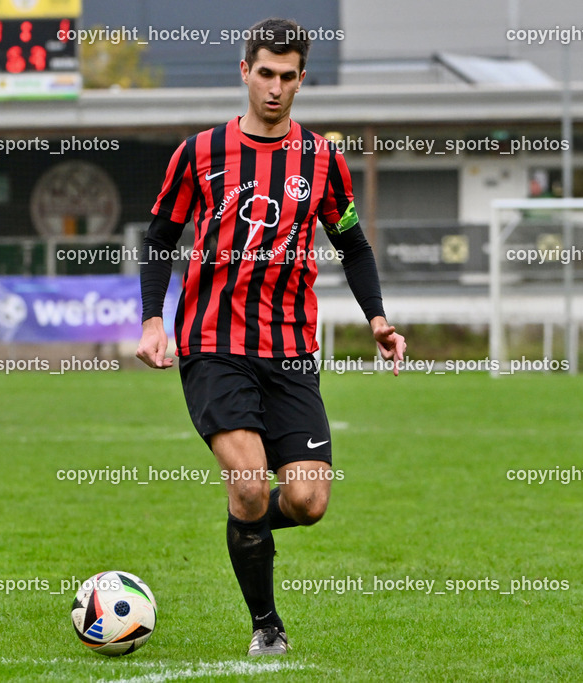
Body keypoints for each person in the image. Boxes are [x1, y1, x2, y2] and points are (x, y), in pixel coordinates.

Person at [135, 17, 406, 657]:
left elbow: (353, 245)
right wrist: (151, 319)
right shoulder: (199, 153)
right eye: (265, 74)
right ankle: (267, 625)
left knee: (308, 501)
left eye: (288, 76)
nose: (276, 88)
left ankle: (247, 524)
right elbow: (160, 239)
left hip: (290, 350)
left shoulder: (323, 160)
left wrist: (376, 317)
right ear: (245, 72)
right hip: (213, 343)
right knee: (253, 481)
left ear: (302, 79)